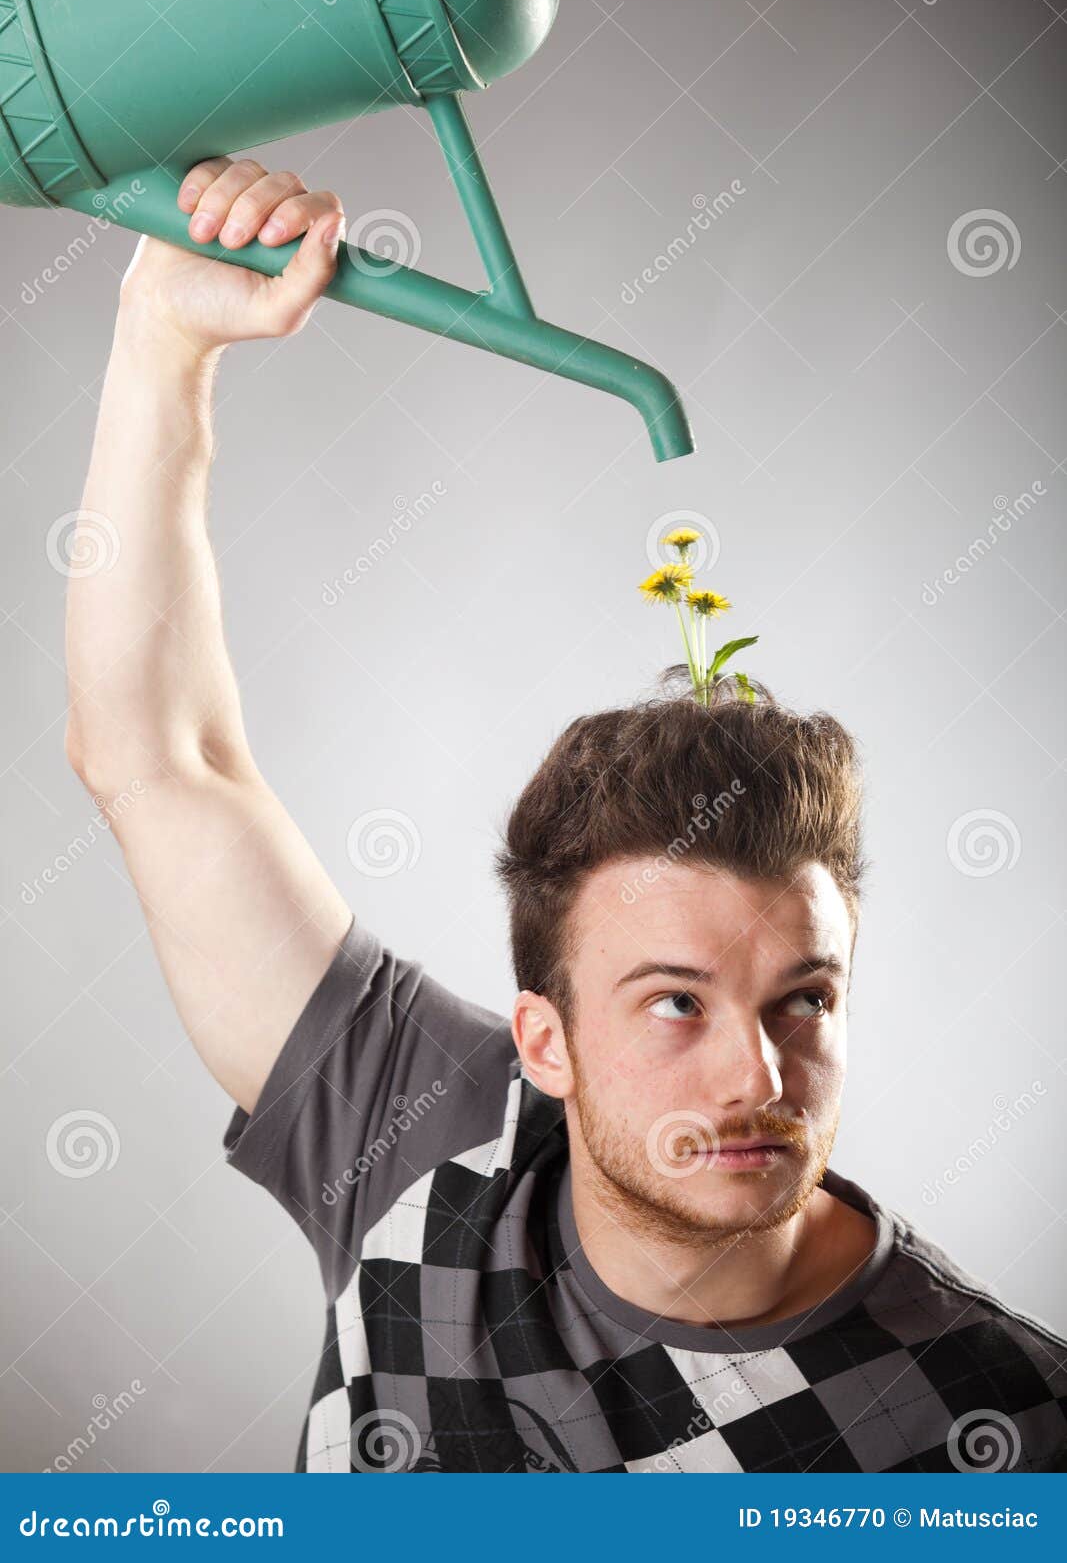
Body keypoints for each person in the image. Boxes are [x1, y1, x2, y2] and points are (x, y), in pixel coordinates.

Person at [65, 159, 1067, 1475]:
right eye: (676, 1001)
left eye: (804, 999)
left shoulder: (1003, 1424)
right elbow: (156, 756)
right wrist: (164, 337)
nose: (759, 1079)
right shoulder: (421, 1134)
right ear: (545, 1040)